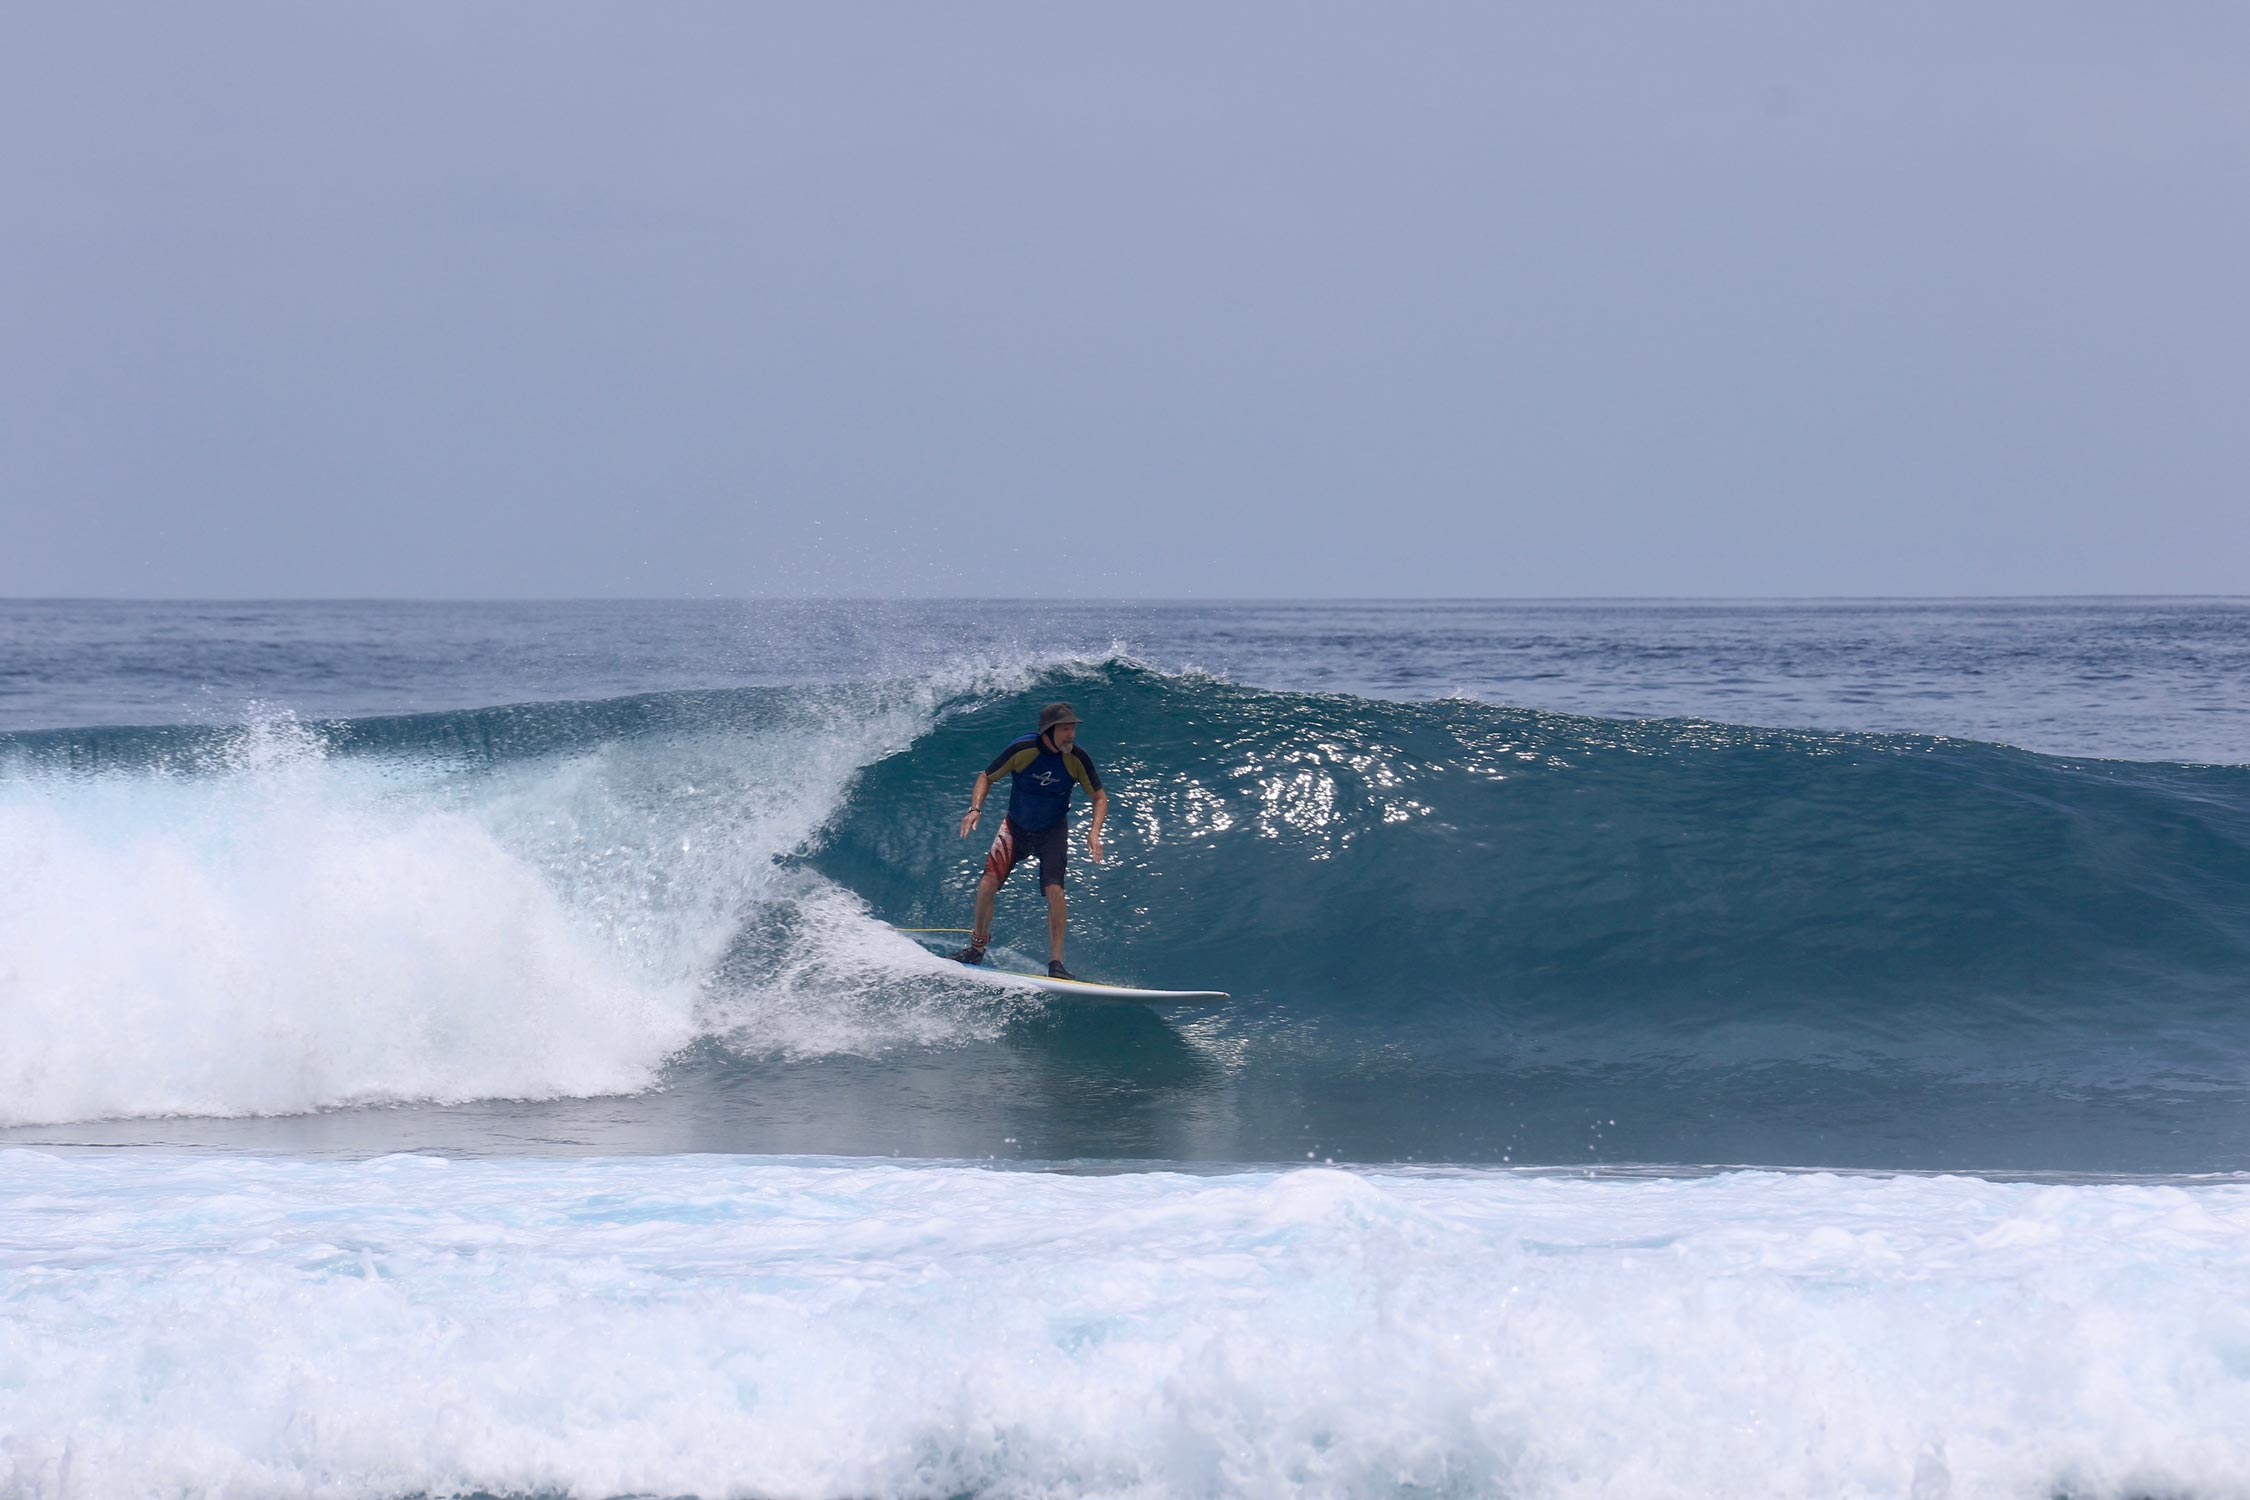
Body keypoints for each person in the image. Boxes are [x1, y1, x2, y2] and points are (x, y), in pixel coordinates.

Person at [952, 701, 1108, 979]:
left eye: (1073, 729)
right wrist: (975, 809)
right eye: (1065, 730)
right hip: (1016, 828)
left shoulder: (1077, 759)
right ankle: (976, 949)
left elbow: (1099, 797)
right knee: (988, 883)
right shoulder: (1022, 750)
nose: (1071, 735)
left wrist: (1094, 832)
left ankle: (1056, 965)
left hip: (1052, 832)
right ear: (1048, 731)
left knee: (1055, 892)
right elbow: (986, 777)